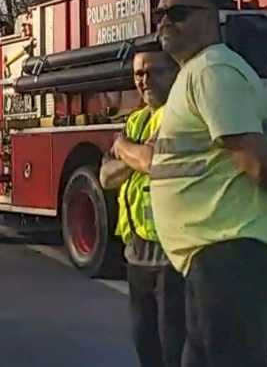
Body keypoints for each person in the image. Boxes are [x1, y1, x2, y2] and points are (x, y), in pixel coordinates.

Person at [150, 0, 267, 367]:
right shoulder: (198, 72)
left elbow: (253, 158)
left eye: (179, 13)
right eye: (161, 13)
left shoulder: (212, 71)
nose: (166, 21)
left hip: (230, 254)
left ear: (214, 19)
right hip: (214, 256)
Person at [100, 50, 185, 367]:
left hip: (170, 252)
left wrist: (123, 147)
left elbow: (151, 162)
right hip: (136, 251)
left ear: (174, 73)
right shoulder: (136, 121)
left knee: (174, 347)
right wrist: (135, 153)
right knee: (146, 346)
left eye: (153, 72)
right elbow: (106, 177)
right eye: (138, 74)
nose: (144, 80)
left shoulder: (177, 114)